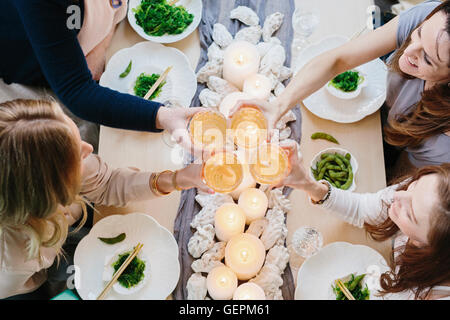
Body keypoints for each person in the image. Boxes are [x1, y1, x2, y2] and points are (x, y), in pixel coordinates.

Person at [0, 99, 212, 300]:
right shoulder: (11, 261)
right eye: (77, 154)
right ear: (49, 191)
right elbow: (29, 283)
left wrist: (177, 179)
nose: (89, 148)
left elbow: (107, 183)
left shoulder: (46, 165)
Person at [233, 0, 450, 176]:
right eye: (418, 33)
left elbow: (412, 175)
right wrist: (278, 105)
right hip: (382, 116)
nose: (410, 50)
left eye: (428, 59)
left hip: (407, 155)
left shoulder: (444, 143)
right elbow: (339, 60)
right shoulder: (436, 21)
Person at [0, 0, 199, 150]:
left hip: (79, 39)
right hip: (30, 59)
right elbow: (76, 90)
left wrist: (100, 47)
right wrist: (162, 116)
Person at [278, 139, 450, 300]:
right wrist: (308, 184)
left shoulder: (433, 294)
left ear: (434, 250)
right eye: (414, 184)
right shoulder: (424, 197)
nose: (397, 195)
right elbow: (361, 209)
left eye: (409, 214)